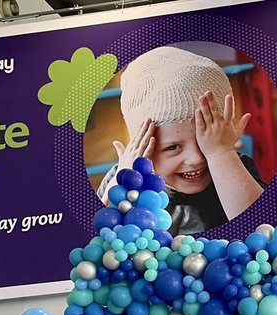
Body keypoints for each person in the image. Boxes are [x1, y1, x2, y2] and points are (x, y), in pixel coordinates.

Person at [98, 46, 266, 235]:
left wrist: (221, 153)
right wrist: (125, 179)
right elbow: (101, 236)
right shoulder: (122, 177)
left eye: (207, 140)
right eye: (173, 147)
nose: (196, 159)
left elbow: (262, 229)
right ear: (142, 147)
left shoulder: (237, 167)